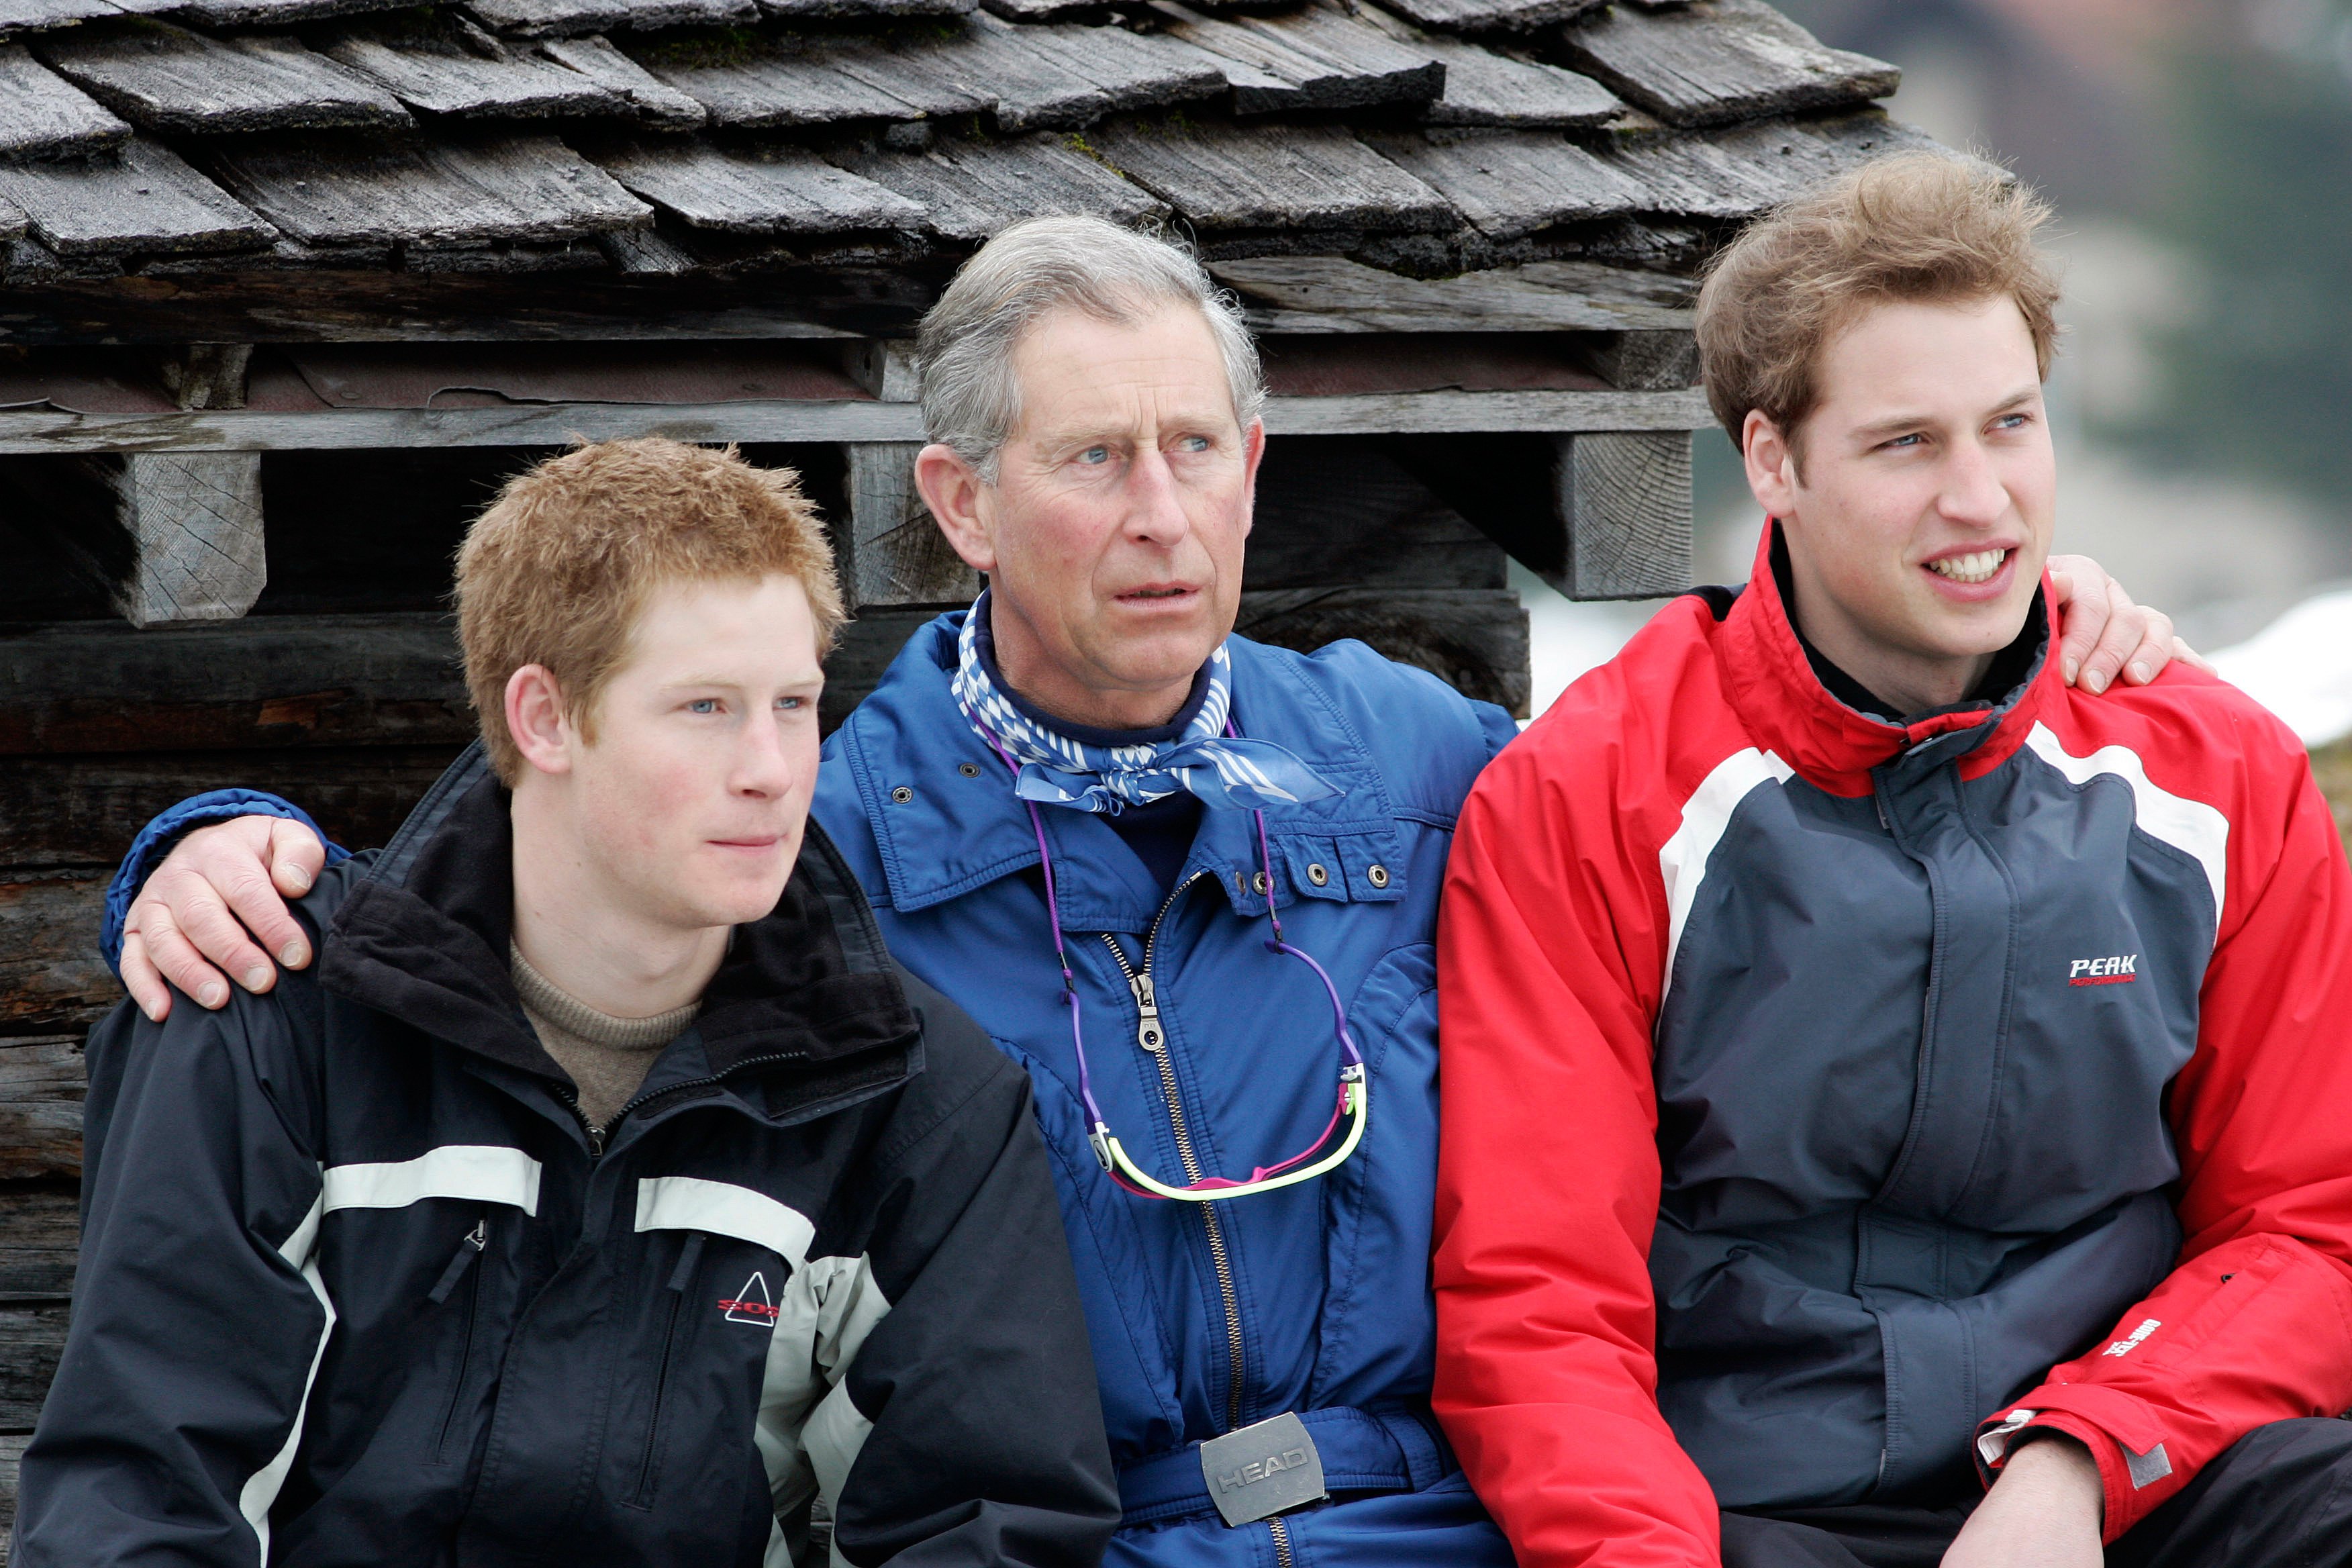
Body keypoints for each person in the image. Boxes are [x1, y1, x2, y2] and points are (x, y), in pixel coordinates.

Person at [100, 217, 2188, 1568]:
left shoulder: (1415, 755)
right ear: (957, 503)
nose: (1165, 515)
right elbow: (531, 872)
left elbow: (1736, 730)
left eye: (1202, 448)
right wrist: (208, 841)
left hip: (1441, 1524)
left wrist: (1992, 629)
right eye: (1096, 460)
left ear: (1261, 463)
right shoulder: (823, 812)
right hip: (1089, 1535)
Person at [1433, 153, 2352, 1568]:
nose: (1981, 498)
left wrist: (2079, 1464)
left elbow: (2313, 1226)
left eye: (2011, 424)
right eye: (1907, 444)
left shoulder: (2215, 772)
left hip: (2127, 1473)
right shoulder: (1590, 794)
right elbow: (1540, 1302)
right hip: (1752, 1508)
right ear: (1772, 463)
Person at [17, 440, 1117, 1567]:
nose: (774, 768)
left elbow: (985, 1527)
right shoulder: (265, 1022)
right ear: (544, 718)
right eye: (703, 706)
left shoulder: (919, 1097)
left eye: (794, 703)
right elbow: (142, 1504)